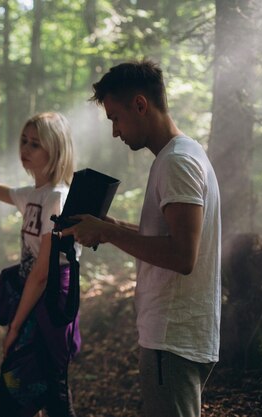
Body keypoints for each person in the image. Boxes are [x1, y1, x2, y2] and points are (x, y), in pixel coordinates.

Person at [63, 60, 221, 417]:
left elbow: (183, 256)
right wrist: (113, 225)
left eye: (116, 118)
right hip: (177, 337)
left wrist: (106, 232)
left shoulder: (176, 162)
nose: (115, 132)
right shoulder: (184, 153)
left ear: (140, 104)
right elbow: (171, 236)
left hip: (172, 339)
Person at [0, 97, 81, 417]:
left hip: (51, 300)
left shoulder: (57, 198)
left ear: (55, 151)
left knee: (47, 389)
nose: (26, 148)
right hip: (33, 295)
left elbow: (43, 272)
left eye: (36, 144)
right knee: (46, 389)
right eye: (24, 140)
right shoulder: (32, 194)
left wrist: (15, 327)